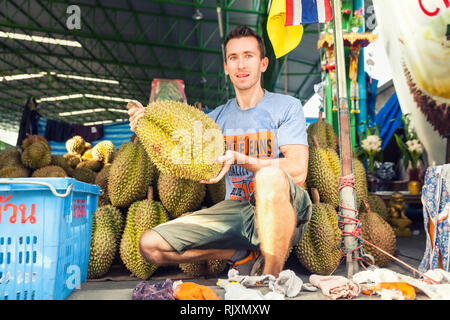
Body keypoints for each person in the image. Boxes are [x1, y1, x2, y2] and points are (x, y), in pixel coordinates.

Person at [127, 25, 311, 278]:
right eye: (233, 58)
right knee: (150, 245)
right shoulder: (214, 120)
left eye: (248, 56)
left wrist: (241, 159)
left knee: (268, 178)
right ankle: (241, 255)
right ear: (226, 67)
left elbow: (299, 171)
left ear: (263, 63)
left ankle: (271, 278)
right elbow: (176, 145)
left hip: (286, 210)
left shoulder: (286, 108)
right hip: (236, 212)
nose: (241, 65)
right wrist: (144, 121)